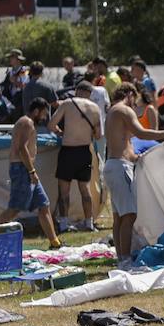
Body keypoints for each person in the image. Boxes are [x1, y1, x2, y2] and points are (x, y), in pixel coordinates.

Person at [105, 84, 164, 266]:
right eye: (135, 100)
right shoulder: (123, 110)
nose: (135, 105)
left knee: (119, 217)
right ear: (129, 94)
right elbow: (141, 133)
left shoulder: (113, 112)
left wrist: (137, 157)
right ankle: (125, 259)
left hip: (114, 165)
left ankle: (121, 257)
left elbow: (125, 145)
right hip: (119, 167)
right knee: (129, 215)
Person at [0, 98, 61, 246]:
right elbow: (22, 148)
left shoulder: (26, 122)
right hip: (22, 169)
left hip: (26, 169)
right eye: (44, 114)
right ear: (36, 111)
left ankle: (54, 242)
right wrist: (32, 171)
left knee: (43, 205)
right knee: (14, 209)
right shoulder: (26, 123)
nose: (44, 118)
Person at [50, 81, 103, 230]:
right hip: (84, 151)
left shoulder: (67, 103)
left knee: (64, 191)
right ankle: (89, 223)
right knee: (85, 189)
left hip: (68, 150)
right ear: (89, 93)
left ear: (77, 90)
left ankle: (64, 224)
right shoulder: (95, 108)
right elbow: (98, 135)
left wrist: (61, 132)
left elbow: (51, 124)